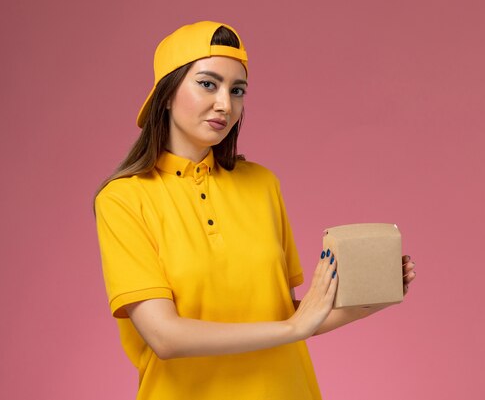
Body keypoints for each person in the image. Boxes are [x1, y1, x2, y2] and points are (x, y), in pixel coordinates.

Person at [93, 21, 416, 400]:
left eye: (238, 90)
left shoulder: (262, 184)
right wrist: (293, 329)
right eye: (208, 84)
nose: (225, 105)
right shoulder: (123, 200)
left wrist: (370, 298)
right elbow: (165, 336)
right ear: (165, 93)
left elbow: (290, 314)